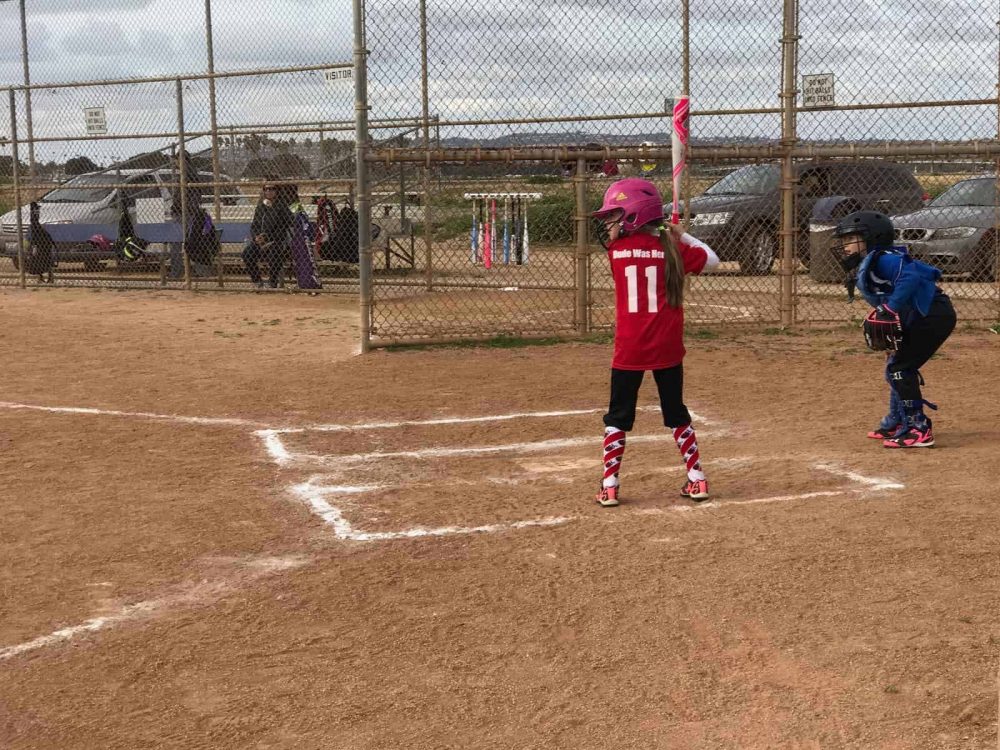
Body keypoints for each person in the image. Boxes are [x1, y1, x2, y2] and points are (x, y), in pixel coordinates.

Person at [591, 178, 720, 507]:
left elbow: (633, 246)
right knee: (675, 411)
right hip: (667, 347)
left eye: (615, 216)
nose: (609, 223)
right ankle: (697, 479)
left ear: (634, 215)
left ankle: (609, 485)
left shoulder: (618, 251)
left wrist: (666, 235)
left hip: (629, 348)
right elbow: (712, 259)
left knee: (618, 414)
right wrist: (680, 234)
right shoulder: (672, 248)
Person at [833, 210, 956, 448]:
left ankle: (919, 429)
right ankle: (899, 422)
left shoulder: (884, 259)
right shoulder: (874, 260)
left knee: (901, 368)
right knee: (895, 366)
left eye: (850, 239)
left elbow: (908, 276)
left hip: (933, 315)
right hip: (921, 315)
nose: (844, 245)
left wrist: (889, 309)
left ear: (872, 238)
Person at [241, 180, 292, 288]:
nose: (269, 191)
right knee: (247, 254)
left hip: (276, 240)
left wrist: (267, 237)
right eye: (266, 189)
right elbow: (254, 225)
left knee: (274, 254)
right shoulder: (261, 207)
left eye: (272, 189)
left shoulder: (282, 206)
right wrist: (256, 237)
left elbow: (287, 224)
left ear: (277, 191)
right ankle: (257, 281)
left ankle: (272, 282)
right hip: (260, 241)